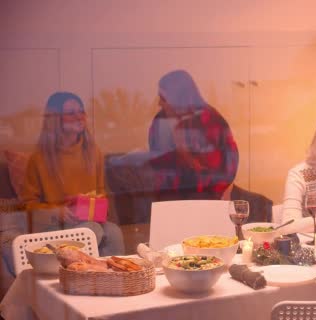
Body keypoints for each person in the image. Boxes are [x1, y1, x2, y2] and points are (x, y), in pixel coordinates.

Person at [21, 92, 124, 256]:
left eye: (81, 111)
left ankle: (115, 280)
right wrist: (57, 212)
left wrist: (85, 204)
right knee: (92, 229)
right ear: (55, 120)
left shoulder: (93, 152)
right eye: (70, 113)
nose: (79, 116)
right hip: (54, 227)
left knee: (113, 232)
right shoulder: (38, 159)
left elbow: (101, 194)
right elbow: (27, 205)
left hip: (88, 221)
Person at [148, 70, 239, 201]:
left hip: (203, 202)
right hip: (168, 203)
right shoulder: (160, 122)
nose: (159, 103)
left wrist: (184, 152)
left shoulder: (209, 120)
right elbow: (157, 166)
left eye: (163, 98)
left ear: (178, 98)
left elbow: (225, 169)